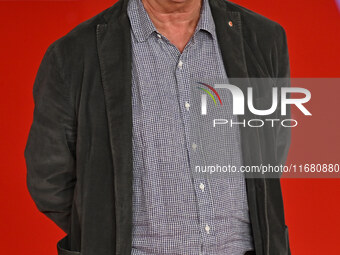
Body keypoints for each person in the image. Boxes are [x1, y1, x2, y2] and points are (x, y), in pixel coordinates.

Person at [24, 0, 291, 254]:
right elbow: (50, 179)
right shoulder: (73, 55)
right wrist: (104, 233)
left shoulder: (264, 38)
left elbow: (271, 152)